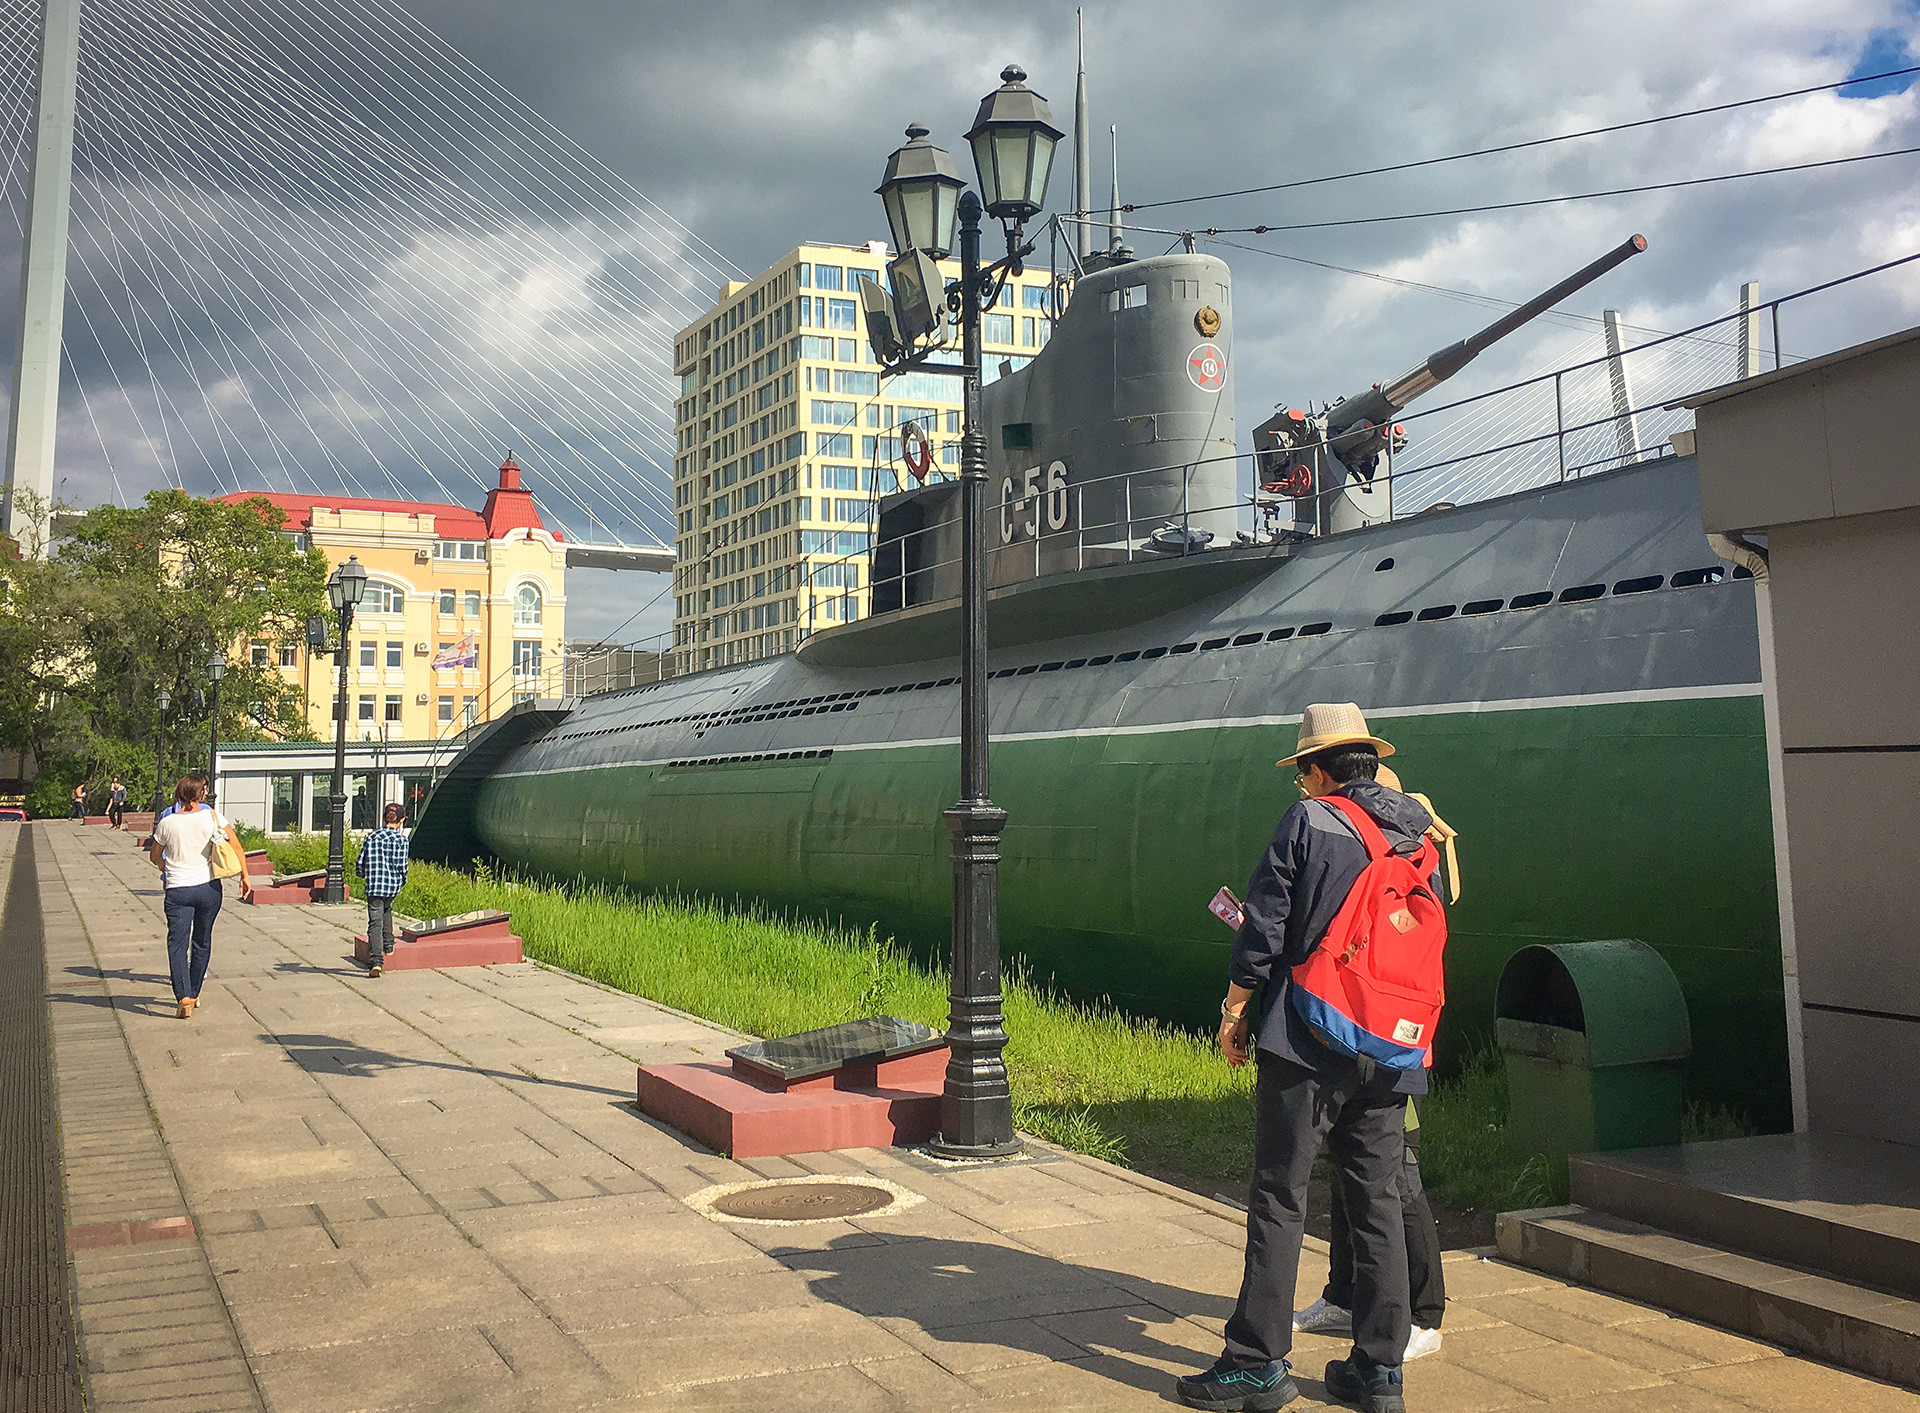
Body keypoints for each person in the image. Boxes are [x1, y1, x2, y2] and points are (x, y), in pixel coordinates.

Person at [1178, 703, 1441, 1413]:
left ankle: (1257, 1363)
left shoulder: (1310, 822)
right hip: (1392, 1045)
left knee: (1281, 1192)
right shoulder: (1421, 835)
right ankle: (1379, 1369)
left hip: (1308, 1039)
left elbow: (1261, 930)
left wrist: (1235, 1010)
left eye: (1302, 774)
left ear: (1320, 769)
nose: (1300, 785)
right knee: (1376, 1197)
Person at [1295, 764, 1455, 1363]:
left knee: (1396, 1179)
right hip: (1353, 1025)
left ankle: (1424, 1313)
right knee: (1351, 1169)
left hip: (1390, 1030)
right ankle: (1344, 1293)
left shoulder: (1409, 851)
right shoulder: (1363, 837)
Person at [148, 776, 251, 1018]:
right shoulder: (212, 817)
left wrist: (168, 868)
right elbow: (235, 846)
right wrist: (245, 875)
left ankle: (183, 996)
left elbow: (155, 856)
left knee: (177, 943)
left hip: (178, 890)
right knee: (202, 941)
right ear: (201, 794)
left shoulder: (167, 822)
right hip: (209, 888)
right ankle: (194, 994)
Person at [356, 802, 410, 978]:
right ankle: (389, 944)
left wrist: (362, 874)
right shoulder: (402, 840)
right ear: (401, 820)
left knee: (375, 921)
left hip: (374, 885)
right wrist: (402, 881)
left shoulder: (371, 837)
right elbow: (403, 866)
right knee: (386, 909)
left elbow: (360, 862)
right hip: (392, 886)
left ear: (384, 818)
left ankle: (377, 961)